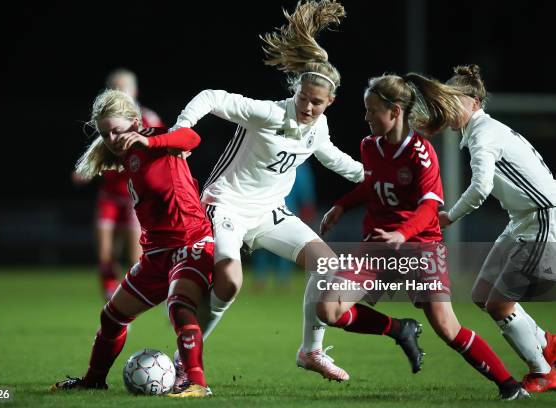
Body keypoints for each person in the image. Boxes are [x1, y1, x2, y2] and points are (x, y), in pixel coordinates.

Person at [170, 0, 422, 382]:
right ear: (296, 90)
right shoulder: (269, 113)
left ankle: (311, 352)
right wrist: (182, 130)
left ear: (330, 103)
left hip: (271, 213)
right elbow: (211, 96)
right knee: (230, 283)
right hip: (226, 207)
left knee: (327, 264)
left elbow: (338, 161)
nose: (307, 107)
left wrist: (385, 176)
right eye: (303, 98)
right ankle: (183, 364)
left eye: (316, 103)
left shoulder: (317, 128)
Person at [318, 73, 529, 400]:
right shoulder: (368, 146)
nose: (366, 117)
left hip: (420, 248)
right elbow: (372, 184)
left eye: (372, 110)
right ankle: (399, 329)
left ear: (395, 111)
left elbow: (430, 208)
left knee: (447, 328)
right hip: (378, 246)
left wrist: (402, 233)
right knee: (328, 309)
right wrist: (342, 206)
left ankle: (510, 386)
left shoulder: (421, 152)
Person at [52, 89, 213, 397]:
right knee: (111, 316)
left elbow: (191, 139)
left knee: (180, 308)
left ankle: (197, 384)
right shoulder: (126, 157)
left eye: (117, 129)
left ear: (135, 122)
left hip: (191, 242)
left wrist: (149, 141)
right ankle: (93, 380)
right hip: (156, 253)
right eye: (105, 133)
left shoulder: (157, 138)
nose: (112, 138)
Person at [439, 64, 556, 393]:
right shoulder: (482, 131)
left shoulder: (483, 134)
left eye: (455, 101)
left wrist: (449, 216)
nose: (448, 107)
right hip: (522, 219)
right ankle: (546, 343)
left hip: (542, 219)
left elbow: (480, 188)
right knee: (481, 294)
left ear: (474, 103)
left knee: (498, 304)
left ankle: (543, 371)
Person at [74, 68, 165, 300]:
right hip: (110, 196)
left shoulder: (146, 119)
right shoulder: (108, 121)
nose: (118, 92)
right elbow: (99, 153)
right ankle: (112, 301)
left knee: (136, 259)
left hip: (135, 198)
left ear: (134, 91)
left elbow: (162, 148)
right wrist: (86, 171)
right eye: (113, 88)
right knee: (105, 255)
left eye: (123, 87)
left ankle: (145, 299)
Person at [251, 161, 317, 291]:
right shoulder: (298, 162)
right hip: (284, 210)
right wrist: (307, 205)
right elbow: (305, 188)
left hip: (267, 209)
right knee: (283, 247)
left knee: (262, 245)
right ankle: (281, 280)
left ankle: (262, 280)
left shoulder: (269, 157)